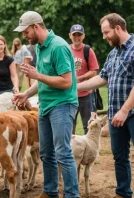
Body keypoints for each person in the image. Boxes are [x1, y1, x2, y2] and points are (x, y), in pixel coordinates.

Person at [77, 13, 134, 198]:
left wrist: (125, 110)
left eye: (106, 32)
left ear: (118, 28)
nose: (104, 37)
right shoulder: (113, 53)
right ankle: (123, 192)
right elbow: (101, 78)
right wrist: (74, 88)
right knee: (120, 157)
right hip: (116, 114)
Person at [12, 11, 80, 198]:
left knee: (63, 152)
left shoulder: (58, 46)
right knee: (46, 152)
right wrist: (26, 94)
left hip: (63, 105)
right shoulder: (40, 47)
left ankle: (72, 194)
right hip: (46, 105)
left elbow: (67, 81)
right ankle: (50, 192)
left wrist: (37, 75)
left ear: (36, 26)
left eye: (25, 32)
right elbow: (43, 80)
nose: (24, 36)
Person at [69, 24, 99, 135]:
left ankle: (90, 149)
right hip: (70, 94)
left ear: (83, 36)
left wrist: (80, 78)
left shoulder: (87, 50)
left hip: (86, 94)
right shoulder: (66, 50)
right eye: (74, 35)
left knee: (89, 125)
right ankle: (70, 150)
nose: (77, 37)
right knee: (69, 124)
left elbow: (94, 71)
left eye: (79, 35)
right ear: (70, 36)